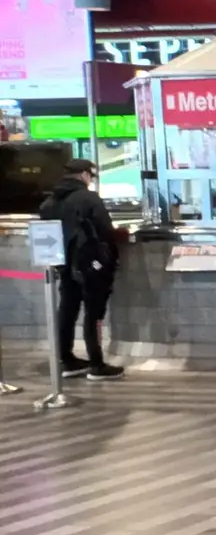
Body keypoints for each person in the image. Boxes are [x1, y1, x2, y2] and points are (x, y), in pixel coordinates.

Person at [38, 160, 123, 379]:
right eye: (91, 176)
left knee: (67, 309)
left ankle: (67, 360)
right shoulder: (89, 198)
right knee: (94, 313)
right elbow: (105, 230)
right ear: (85, 174)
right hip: (91, 265)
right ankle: (97, 364)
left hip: (63, 264)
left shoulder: (49, 202)